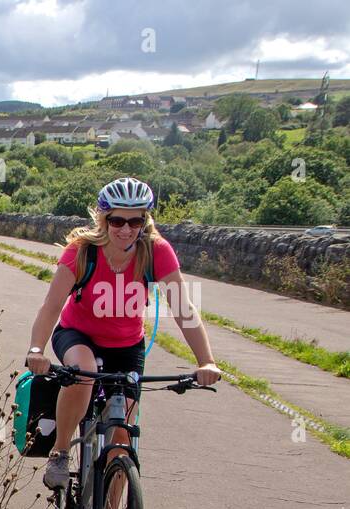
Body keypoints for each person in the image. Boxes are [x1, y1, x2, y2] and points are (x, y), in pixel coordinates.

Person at [24, 177, 221, 491]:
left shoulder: (156, 252)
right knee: (83, 373)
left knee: (122, 438)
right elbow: (50, 307)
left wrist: (206, 361)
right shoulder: (82, 252)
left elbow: (183, 311)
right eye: (117, 220)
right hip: (77, 335)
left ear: (145, 220)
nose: (126, 229)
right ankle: (60, 451)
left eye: (135, 221)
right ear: (103, 219)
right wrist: (36, 350)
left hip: (127, 346)